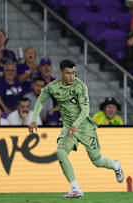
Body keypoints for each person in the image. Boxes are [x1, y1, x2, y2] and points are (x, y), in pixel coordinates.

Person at [28, 59, 124, 198]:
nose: (72, 76)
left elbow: (85, 110)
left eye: (73, 73)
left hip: (84, 127)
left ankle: (115, 166)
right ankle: (75, 188)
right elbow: (40, 101)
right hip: (68, 127)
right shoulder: (52, 87)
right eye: (68, 73)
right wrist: (34, 120)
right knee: (60, 152)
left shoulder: (80, 86)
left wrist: (75, 125)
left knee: (97, 161)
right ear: (61, 73)